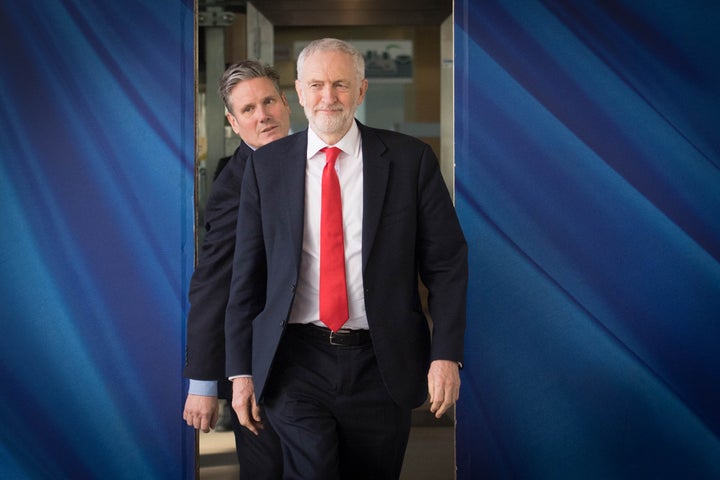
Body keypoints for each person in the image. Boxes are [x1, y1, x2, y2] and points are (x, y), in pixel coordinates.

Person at [225, 38, 468, 479]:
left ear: (361, 90)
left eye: (340, 84)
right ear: (298, 92)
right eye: (316, 85)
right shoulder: (267, 167)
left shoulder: (410, 160)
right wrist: (241, 371)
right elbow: (248, 275)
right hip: (294, 360)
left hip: (382, 361)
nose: (328, 97)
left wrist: (445, 354)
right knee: (312, 470)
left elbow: (447, 264)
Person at [183, 60, 291, 479]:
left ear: (286, 102)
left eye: (268, 101)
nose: (262, 114)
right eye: (248, 109)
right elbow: (213, 283)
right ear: (232, 121)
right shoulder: (236, 183)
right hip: (263, 368)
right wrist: (204, 384)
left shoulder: (314, 161)